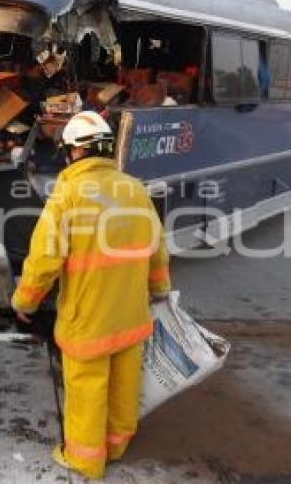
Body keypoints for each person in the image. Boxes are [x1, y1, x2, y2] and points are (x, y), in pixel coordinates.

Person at [11, 111, 171, 479]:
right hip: (130, 315)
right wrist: (159, 291)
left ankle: (85, 458)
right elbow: (157, 250)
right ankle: (116, 445)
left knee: (87, 388)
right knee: (123, 385)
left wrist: (25, 302)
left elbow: (44, 261)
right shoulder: (135, 189)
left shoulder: (67, 195)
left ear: (75, 152)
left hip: (88, 319)